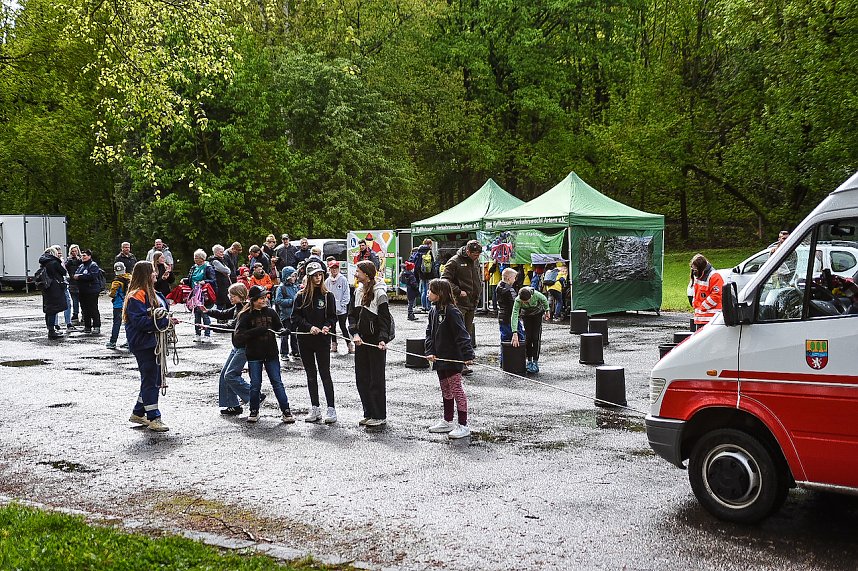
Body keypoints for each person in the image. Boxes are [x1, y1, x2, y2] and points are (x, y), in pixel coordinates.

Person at [124, 260, 174, 432]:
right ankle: (154, 417)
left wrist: (168, 320)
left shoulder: (153, 292)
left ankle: (138, 412)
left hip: (153, 342)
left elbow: (159, 315)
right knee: (151, 380)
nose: (156, 274)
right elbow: (139, 322)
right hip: (144, 343)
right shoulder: (136, 295)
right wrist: (164, 320)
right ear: (146, 274)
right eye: (152, 271)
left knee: (153, 379)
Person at [233, 285, 295, 424]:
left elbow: (278, 326)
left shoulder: (271, 312)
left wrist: (283, 331)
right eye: (261, 298)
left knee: (277, 382)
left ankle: (286, 411)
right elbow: (239, 336)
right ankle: (254, 410)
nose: (264, 300)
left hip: (271, 353)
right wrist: (257, 331)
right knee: (255, 384)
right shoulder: (245, 316)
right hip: (254, 354)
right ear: (253, 300)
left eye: (265, 298)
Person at [424, 278, 475, 439]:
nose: (428, 293)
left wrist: (467, 355)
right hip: (439, 358)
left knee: (456, 389)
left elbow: (462, 334)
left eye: (431, 291)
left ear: (439, 293)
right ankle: (447, 421)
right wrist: (430, 350)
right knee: (445, 389)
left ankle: (463, 424)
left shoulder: (452, 311)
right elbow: (429, 333)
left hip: (453, 358)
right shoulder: (433, 310)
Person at [292, 261, 338, 424]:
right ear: (309, 277)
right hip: (305, 339)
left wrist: (327, 326)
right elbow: (295, 318)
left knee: (325, 374)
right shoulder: (300, 296)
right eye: (315, 276)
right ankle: (315, 407)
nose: (318, 278)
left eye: (320, 275)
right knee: (311, 375)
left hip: (322, 340)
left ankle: (331, 408)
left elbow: (333, 316)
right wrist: (309, 327)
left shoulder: (328, 295)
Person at [350, 260, 393, 427]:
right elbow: (351, 315)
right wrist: (354, 333)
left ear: (366, 275)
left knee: (376, 379)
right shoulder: (358, 291)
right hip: (360, 340)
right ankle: (368, 412)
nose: (355, 274)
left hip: (376, 341)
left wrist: (383, 338)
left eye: (358, 271)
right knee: (362, 378)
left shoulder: (379, 292)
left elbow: (384, 319)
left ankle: (379, 414)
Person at [202, 283, 256, 416]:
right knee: (224, 374)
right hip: (237, 346)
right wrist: (208, 311)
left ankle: (254, 396)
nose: (230, 297)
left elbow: (232, 325)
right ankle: (232, 405)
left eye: (233, 295)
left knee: (230, 375)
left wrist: (211, 327)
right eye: (229, 295)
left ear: (241, 295)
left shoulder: (246, 309)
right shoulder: (238, 307)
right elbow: (224, 314)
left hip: (244, 347)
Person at [441, 239, 483, 375]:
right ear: (468, 251)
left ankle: (464, 360)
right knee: (460, 332)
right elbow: (444, 280)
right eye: (475, 254)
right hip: (459, 303)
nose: (477, 257)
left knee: (467, 332)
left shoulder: (475, 261)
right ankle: (458, 363)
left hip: (472, 302)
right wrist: (458, 291)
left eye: (478, 254)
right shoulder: (454, 261)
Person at [511, 287, 550, 373]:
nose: (526, 303)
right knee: (528, 337)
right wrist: (514, 332)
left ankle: (535, 361)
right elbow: (514, 315)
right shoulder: (518, 300)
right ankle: (529, 360)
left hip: (537, 314)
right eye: (524, 302)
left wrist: (547, 311)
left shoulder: (537, 295)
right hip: (526, 315)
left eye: (527, 301)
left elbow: (544, 300)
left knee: (535, 337)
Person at [38, 246, 69, 340]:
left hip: (47, 288)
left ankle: (50, 329)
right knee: (53, 309)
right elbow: (63, 272)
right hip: (54, 288)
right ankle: (52, 331)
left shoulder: (44, 262)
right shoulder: (54, 262)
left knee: (48, 309)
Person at [187, 249, 216, 343]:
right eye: (194, 257)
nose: (195, 259)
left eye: (197, 257)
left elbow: (213, 280)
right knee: (196, 315)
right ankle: (197, 334)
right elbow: (190, 279)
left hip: (204, 295)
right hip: (194, 294)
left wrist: (205, 282)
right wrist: (185, 280)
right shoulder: (193, 267)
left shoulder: (208, 267)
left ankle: (207, 335)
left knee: (205, 314)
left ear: (202, 258)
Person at [273, 265, 301, 361]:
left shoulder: (295, 287)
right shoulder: (281, 288)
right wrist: (291, 301)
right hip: (286, 315)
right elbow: (278, 301)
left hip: (294, 315)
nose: (294, 278)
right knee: (285, 335)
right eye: (292, 276)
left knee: (294, 334)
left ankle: (295, 351)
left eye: (295, 276)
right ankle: (284, 353)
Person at [325, 260, 353, 353]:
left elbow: (346, 294)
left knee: (343, 326)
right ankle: (334, 345)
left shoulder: (343, 279)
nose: (334, 270)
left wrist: (342, 305)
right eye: (332, 268)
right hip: (331, 308)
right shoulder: (327, 281)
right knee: (332, 327)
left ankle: (349, 344)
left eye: (336, 268)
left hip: (341, 309)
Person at [73, 249, 103, 335]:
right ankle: (87, 326)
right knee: (84, 309)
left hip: (92, 290)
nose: (83, 257)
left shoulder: (93, 265)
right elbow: (76, 275)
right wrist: (79, 276)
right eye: (82, 256)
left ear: (89, 256)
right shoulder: (81, 266)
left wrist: (80, 277)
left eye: (85, 255)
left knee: (93, 308)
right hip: (82, 291)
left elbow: (92, 276)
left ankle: (96, 326)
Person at [497, 267, 523, 361]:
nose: (515, 280)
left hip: (502, 317)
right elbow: (515, 305)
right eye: (514, 278)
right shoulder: (510, 290)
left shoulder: (499, 286)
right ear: (509, 278)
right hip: (511, 318)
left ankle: (504, 361)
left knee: (505, 340)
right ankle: (518, 361)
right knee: (519, 338)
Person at [691, 254, 724, 328]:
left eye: (695, 269)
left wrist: (702, 307)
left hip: (711, 319)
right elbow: (696, 294)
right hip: (700, 318)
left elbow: (716, 296)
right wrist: (696, 305)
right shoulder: (698, 276)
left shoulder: (714, 276)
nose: (694, 271)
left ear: (701, 268)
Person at [106, 261, 131, 349]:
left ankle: (112, 342)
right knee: (128, 323)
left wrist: (110, 294)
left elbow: (113, 294)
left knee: (116, 323)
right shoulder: (130, 278)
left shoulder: (116, 282)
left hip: (118, 305)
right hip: (128, 304)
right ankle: (129, 341)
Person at [413, 239, 435, 312]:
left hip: (421, 273)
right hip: (428, 273)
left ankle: (423, 306)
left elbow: (416, 263)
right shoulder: (429, 251)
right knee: (428, 290)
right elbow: (432, 263)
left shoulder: (419, 251)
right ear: (429, 244)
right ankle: (428, 306)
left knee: (423, 290)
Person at [209, 245, 232, 310]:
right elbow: (226, 270)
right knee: (221, 302)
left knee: (224, 302)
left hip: (223, 284)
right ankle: (220, 318)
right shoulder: (215, 261)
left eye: (223, 252)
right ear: (215, 252)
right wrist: (227, 270)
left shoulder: (220, 260)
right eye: (220, 252)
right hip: (220, 285)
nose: (222, 253)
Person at [65, 244, 83, 325]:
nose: (74, 253)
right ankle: (75, 314)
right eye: (72, 251)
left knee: (83, 300)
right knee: (75, 300)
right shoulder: (68, 261)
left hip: (81, 282)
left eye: (75, 251)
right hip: (72, 283)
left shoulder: (82, 260)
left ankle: (83, 314)